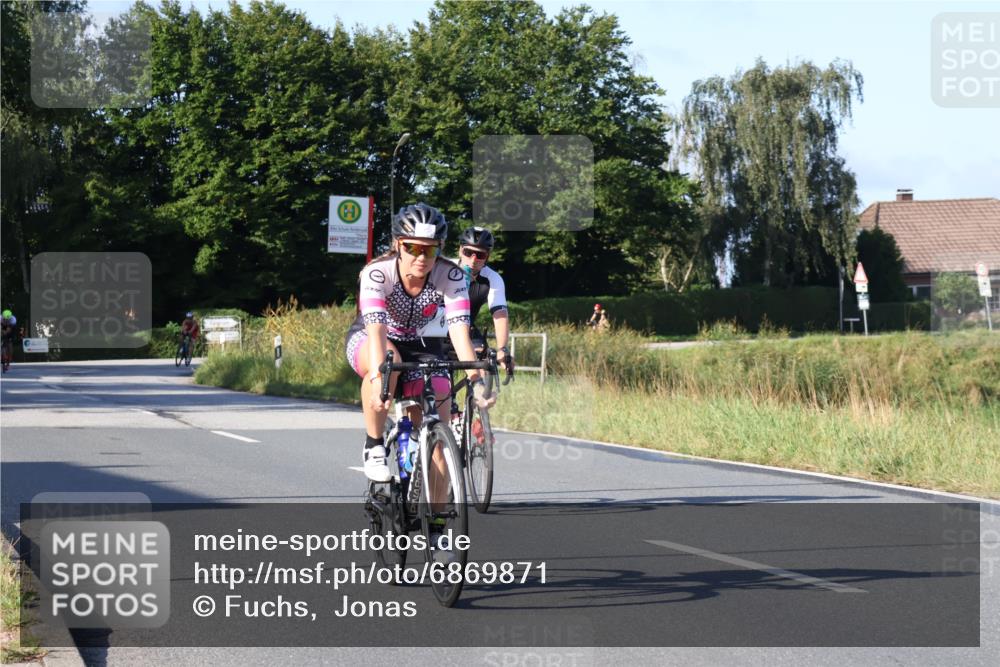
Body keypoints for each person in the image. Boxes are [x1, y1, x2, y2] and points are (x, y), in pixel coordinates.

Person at [344, 203, 494, 484]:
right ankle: (374, 444)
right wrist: (379, 377)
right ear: (398, 245)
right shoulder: (377, 273)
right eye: (413, 248)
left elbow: (459, 332)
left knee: (439, 406)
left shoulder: (450, 275)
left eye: (431, 249)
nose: (422, 258)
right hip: (373, 337)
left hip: (419, 341)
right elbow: (376, 331)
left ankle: (435, 521)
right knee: (386, 368)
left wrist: (477, 383)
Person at [445, 226, 512, 371]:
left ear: (487, 257)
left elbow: (500, 315)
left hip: (467, 329)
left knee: (483, 366)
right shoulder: (443, 268)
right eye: (468, 252)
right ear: (460, 250)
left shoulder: (493, 278)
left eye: (480, 255)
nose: (473, 259)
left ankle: (478, 393)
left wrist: (502, 348)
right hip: (434, 330)